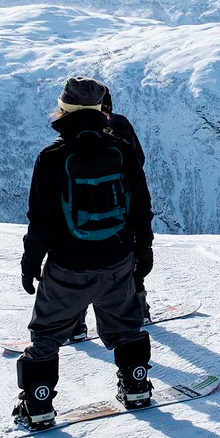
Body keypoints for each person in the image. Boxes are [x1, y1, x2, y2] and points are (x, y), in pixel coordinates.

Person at [14, 76, 155, 430]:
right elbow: (141, 206)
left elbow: (40, 222)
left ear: (64, 109)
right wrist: (144, 251)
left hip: (68, 266)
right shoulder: (121, 150)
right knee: (126, 325)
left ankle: (38, 404)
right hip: (118, 260)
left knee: (46, 334)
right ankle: (136, 385)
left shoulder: (51, 157)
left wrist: (30, 265)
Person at [68, 87, 149, 343]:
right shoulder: (120, 124)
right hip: (120, 207)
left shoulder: (72, 131)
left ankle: (76, 325)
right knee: (127, 261)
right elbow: (139, 159)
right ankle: (139, 310)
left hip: (81, 213)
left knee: (80, 265)